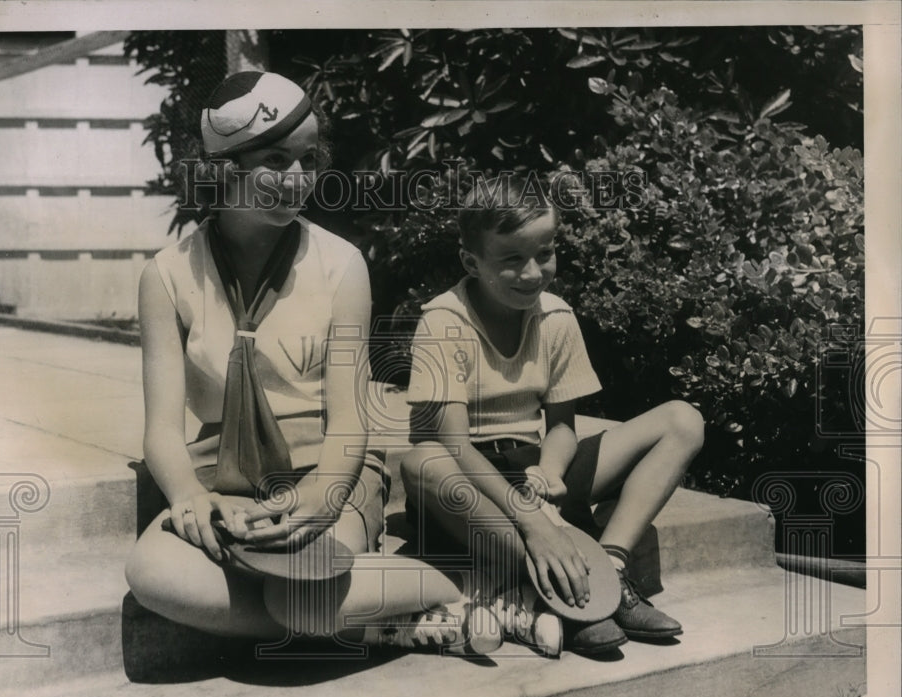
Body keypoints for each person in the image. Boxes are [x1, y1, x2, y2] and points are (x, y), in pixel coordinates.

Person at [125, 71, 502, 656]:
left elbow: (351, 417)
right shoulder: (167, 276)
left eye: (308, 159)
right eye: (277, 160)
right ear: (225, 169)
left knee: (304, 592)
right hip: (223, 479)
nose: (299, 179)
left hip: (326, 466)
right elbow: (161, 432)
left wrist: (325, 494)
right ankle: (386, 622)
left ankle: (470, 587)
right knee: (154, 577)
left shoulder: (340, 264)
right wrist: (189, 499)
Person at [401, 176, 704, 656]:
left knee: (683, 419)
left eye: (544, 253)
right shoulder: (442, 322)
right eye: (511, 260)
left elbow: (562, 425)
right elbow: (454, 447)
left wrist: (551, 471)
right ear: (471, 263)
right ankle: (560, 589)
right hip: (470, 484)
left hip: (532, 471)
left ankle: (610, 566)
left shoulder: (556, 317)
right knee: (421, 463)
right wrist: (532, 520)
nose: (532, 272)